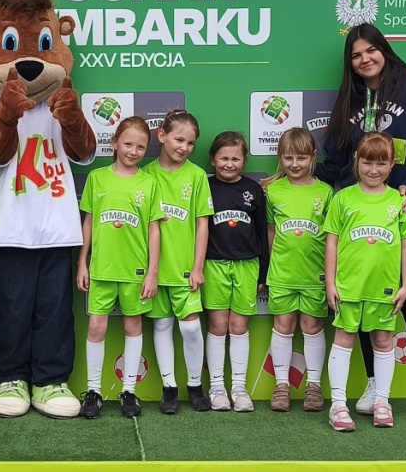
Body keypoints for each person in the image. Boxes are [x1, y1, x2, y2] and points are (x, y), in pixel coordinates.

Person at [315, 23, 406, 426]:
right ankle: (377, 388)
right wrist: (299, 178)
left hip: (400, 210)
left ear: (383, 50)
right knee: (358, 298)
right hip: (358, 213)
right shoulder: (348, 99)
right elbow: (336, 162)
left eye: (370, 51)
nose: (364, 60)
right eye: (356, 55)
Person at [0, 0, 97, 420]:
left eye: (44, 45)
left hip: (58, 224)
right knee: (12, 307)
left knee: (55, 310)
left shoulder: (64, 96)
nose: (29, 60)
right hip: (9, 226)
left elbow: (85, 154)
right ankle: (9, 377)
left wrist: (74, 116)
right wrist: (8, 110)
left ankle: (51, 379)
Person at [322, 132, 406, 431]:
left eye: (381, 163)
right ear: (356, 162)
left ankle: (382, 401)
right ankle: (338, 405)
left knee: (383, 341)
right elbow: (332, 243)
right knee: (344, 340)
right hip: (349, 287)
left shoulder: (398, 202)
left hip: (384, 289)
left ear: (392, 165)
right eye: (367, 162)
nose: (373, 170)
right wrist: (331, 283)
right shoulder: (343, 198)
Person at [77, 116, 164, 419]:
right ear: (114, 143)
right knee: (96, 326)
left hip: (135, 271)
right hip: (101, 269)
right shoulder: (97, 178)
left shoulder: (149, 183)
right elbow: (87, 222)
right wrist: (82, 262)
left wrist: (152, 271)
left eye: (141, 146)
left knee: (132, 326)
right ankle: (94, 391)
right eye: (127, 144)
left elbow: (155, 229)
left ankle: (129, 390)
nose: (133, 150)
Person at [142, 110, 213, 414]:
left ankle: (195, 385)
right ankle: (169, 387)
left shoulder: (196, 176)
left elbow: (202, 224)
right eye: (179, 139)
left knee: (191, 329)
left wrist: (198, 267)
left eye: (191, 143)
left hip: (185, 269)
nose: (184, 147)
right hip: (155, 272)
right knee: (161, 325)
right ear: (161, 135)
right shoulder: (145, 175)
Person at [263, 127, 333, 413]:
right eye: (288, 158)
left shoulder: (325, 192)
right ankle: (282, 385)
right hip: (282, 274)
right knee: (282, 326)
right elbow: (270, 232)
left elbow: (332, 239)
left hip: (314, 276)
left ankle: (313, 386)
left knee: (312, 326)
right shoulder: (273, 191)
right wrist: (271, 266)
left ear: (313, 157)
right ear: (280, 158)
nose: (294, 164)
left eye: (301, 158)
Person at [202, 131, 268, 413]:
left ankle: (239, 387)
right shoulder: (204, 187)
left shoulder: (253, 190)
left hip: (247, 265)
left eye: (236, 158)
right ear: (213, 159)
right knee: (218, 326)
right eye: (224, 158)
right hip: (213, 265)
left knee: (239, 327)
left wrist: (263, 272)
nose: (230, 164)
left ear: (244, 159)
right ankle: (217, 386)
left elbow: (263, 233)